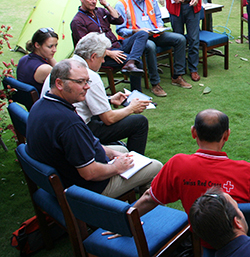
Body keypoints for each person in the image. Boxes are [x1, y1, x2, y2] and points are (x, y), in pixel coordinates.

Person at [26, 59, 162, 198]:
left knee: (122, 151)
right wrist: (116, 167)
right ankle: (138, 214)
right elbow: (89, 173)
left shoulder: (40, 105)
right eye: (80, 82)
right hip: (87, 189)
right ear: (59, 84)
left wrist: (110, 153)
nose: (87, 87)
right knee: (156, 166)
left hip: (67, 174)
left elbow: (86, 144)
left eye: (87, 81)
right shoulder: (69, 124)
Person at [133, 109, 250, 217]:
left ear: (193, 132)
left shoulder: (177, 164)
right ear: (227, 135)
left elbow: (149, 198)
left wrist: (124, 223)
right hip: (237, 237)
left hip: (199, 236)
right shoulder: (245, 170)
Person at [41, 33, 150, 154]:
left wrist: (108, 99)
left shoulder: (61, 66)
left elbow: (81, 102)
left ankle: (114, 147)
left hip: (56, 126)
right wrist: (131, 108)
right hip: (76, 130)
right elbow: (108, 119)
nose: (103, 61)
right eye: (102, 57)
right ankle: (136, 165)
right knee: (140, 122)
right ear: (93, 56)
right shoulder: (89, 76)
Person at [116, 0, 192, 97]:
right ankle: (155, 84)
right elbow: (120, 30)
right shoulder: (122, 4)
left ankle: (177, 76)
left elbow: (157, 15)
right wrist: (137, 31)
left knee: (180, 39)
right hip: (137, 39)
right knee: (150, 47)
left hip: (155, 33)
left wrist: (160, 27)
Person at [71, 0, 146, 92]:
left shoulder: (100, 11)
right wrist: (109, 53)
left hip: (117, 45)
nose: (93, 1)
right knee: (137, 61)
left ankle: (131, 62)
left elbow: (119, 20)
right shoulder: (77, 21)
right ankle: (137, 93)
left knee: (142, 34)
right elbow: (86, 48)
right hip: (102, 55)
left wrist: (106, 4)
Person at [16, 28, 58, 93]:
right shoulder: (45, 69)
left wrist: (49, 56)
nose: (54, 50)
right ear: (37, 45)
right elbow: (62, 76)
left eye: (55, 45)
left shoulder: (23, 59)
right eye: (50, 46)